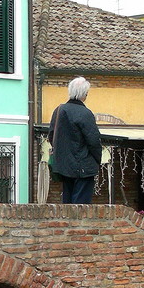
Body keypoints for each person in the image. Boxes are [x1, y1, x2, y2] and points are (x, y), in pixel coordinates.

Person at [48, 76, 101, 204]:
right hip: (83, 166)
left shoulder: (59, 110)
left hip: (64, 166)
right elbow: (93, 140)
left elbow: (51, 135)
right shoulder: (85, 113)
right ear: (85, 94)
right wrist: (97, 159)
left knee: (67, 205)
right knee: (81, 207)